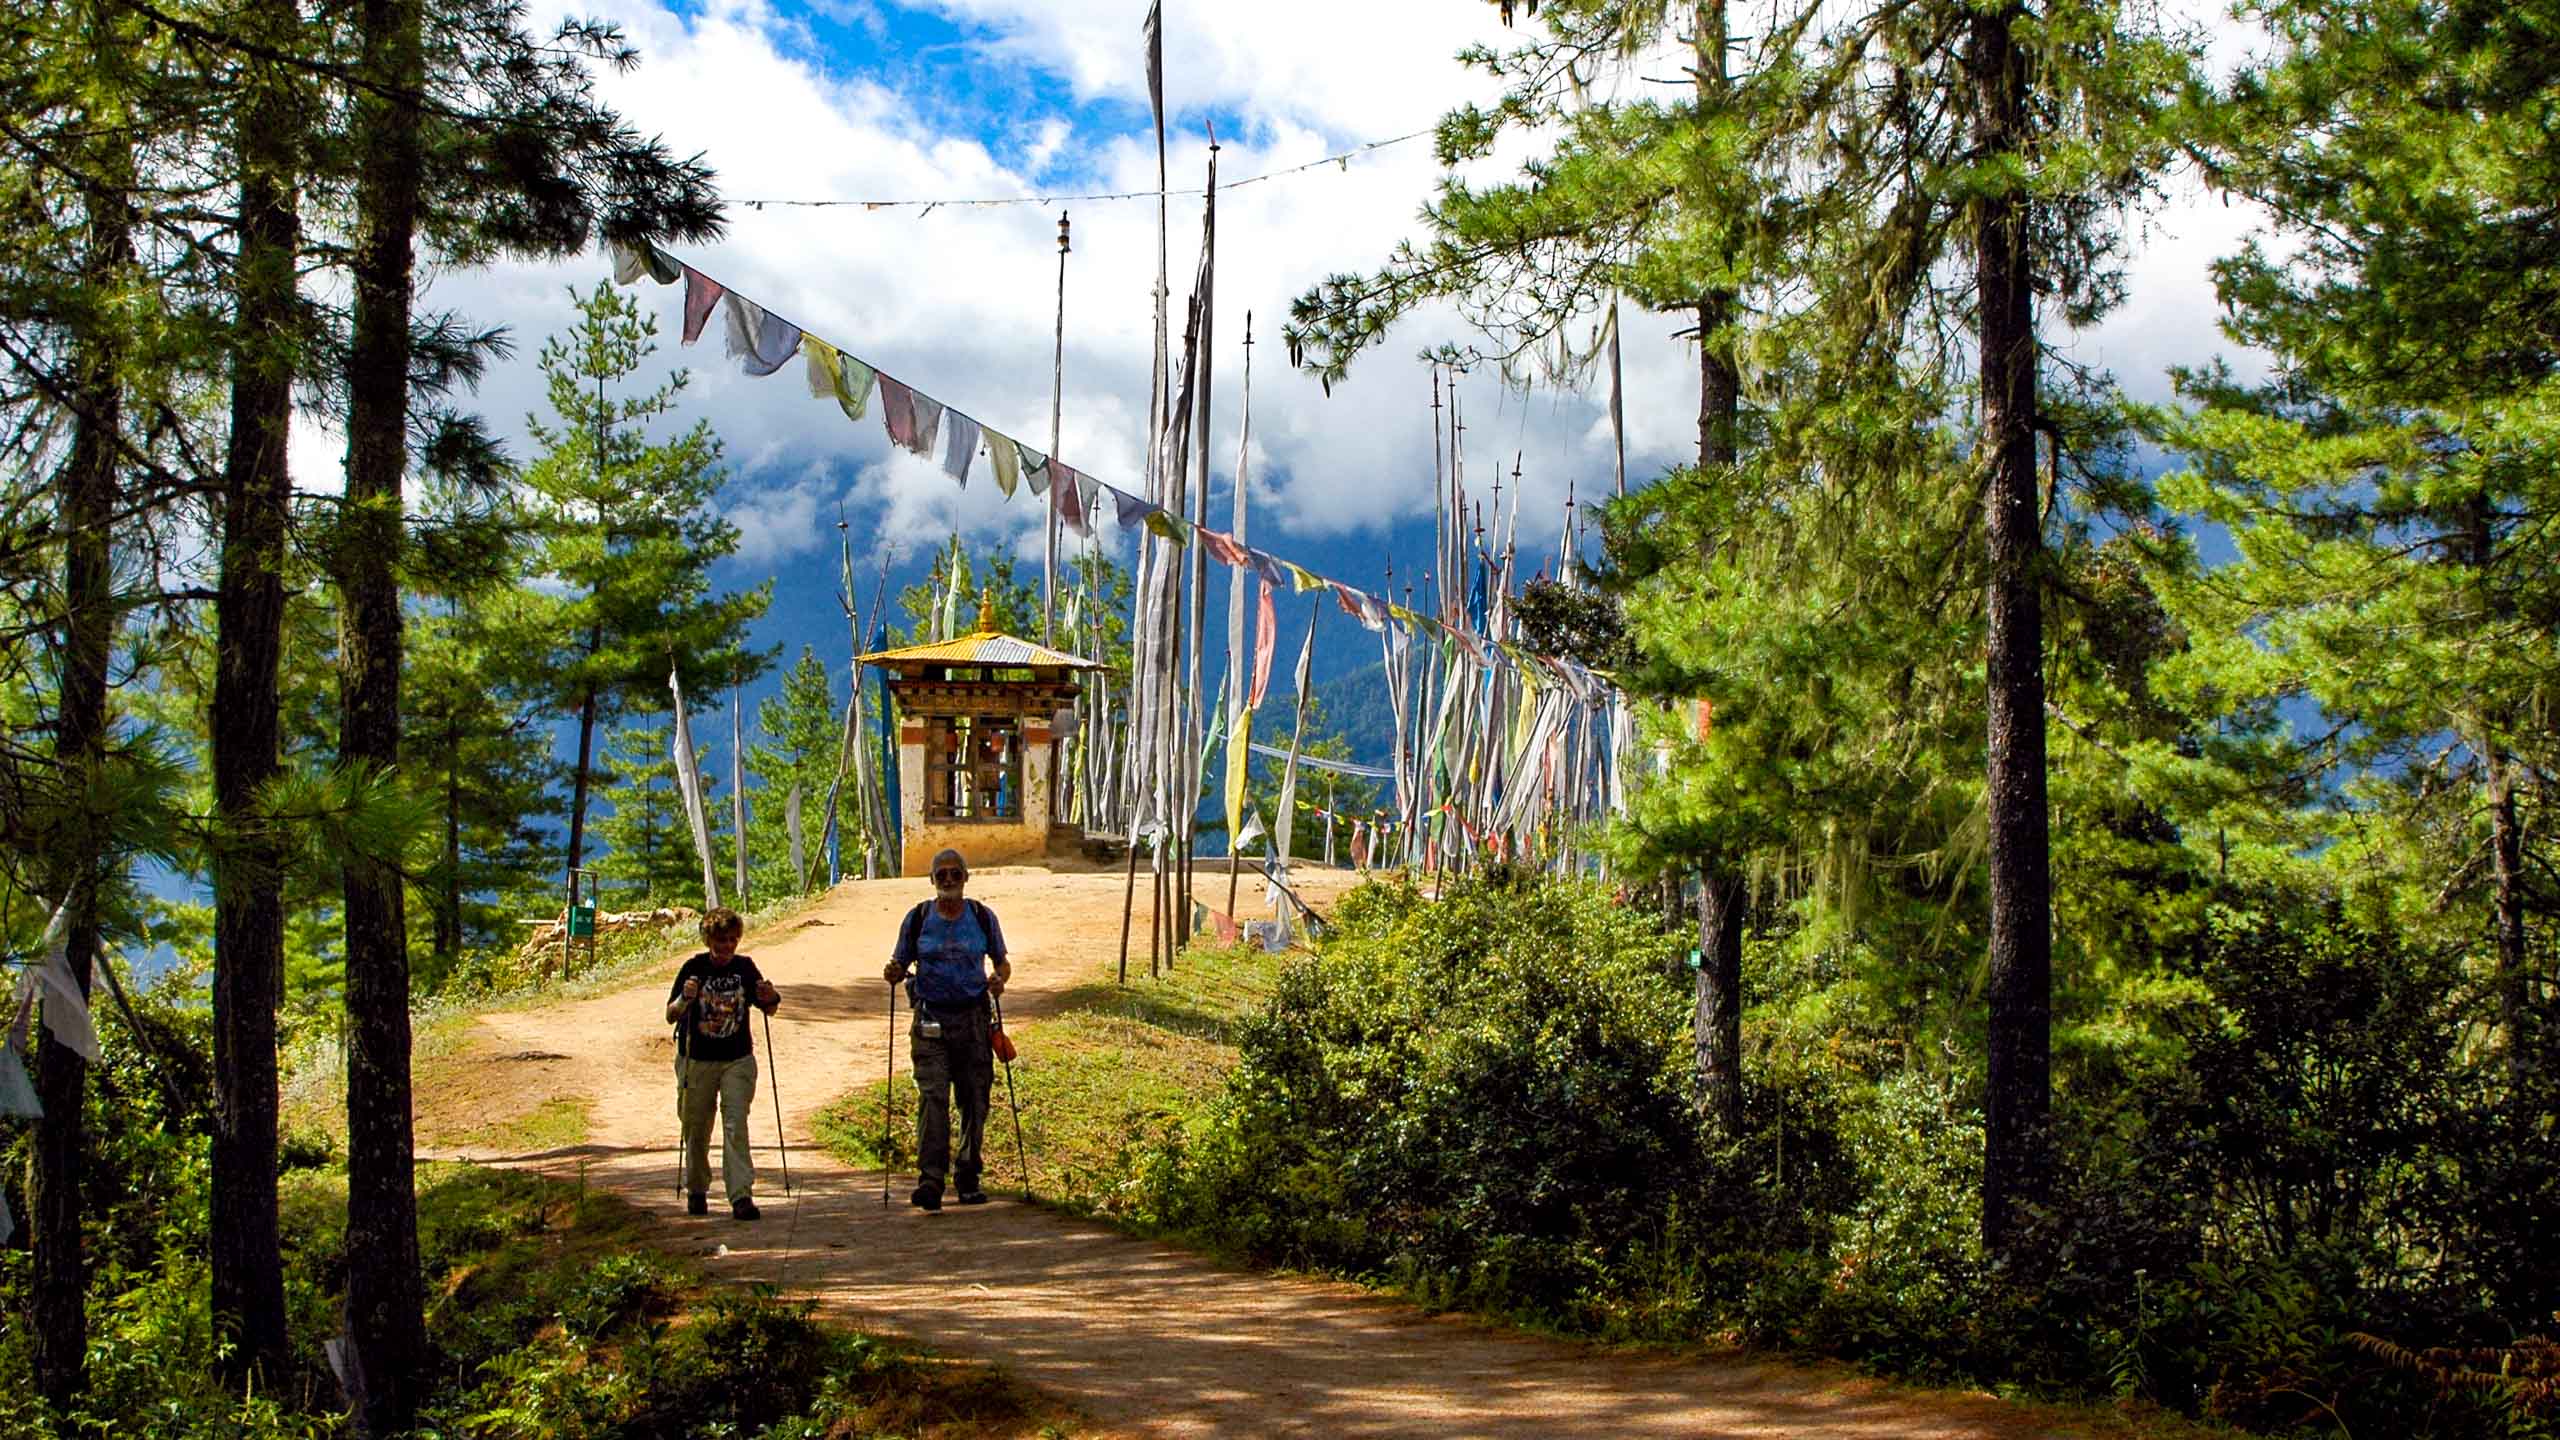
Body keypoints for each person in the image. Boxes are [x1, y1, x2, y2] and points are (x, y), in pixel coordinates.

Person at [882, 848, 1010, 1212]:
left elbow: (1002, 963)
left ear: (966, 878)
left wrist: (998, 980)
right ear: (933, 881)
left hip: (973, 1019)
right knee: (933, 1097)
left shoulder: (983, 917)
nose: (949, 881)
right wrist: (893, 971)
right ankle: (931, 1181)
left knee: (975, 1099)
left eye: (956, 874)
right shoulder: (918, 918)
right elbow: (899, 962)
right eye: (942, 875)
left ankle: (968, 1177)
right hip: (930, 1019)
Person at [666, 907, 780, 1219]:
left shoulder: (745, 967)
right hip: (697, 1059)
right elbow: (670, 1015)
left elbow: (769, 1008)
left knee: (735, 1125)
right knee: (696, 1127)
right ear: (707, 940)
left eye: (732, 940)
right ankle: (697, 1189)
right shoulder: (693, 967)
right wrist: (685, 999)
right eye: (720, 940)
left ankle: (740, 1196)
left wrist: (770, 995)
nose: (726, 946)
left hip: (737, 1059)